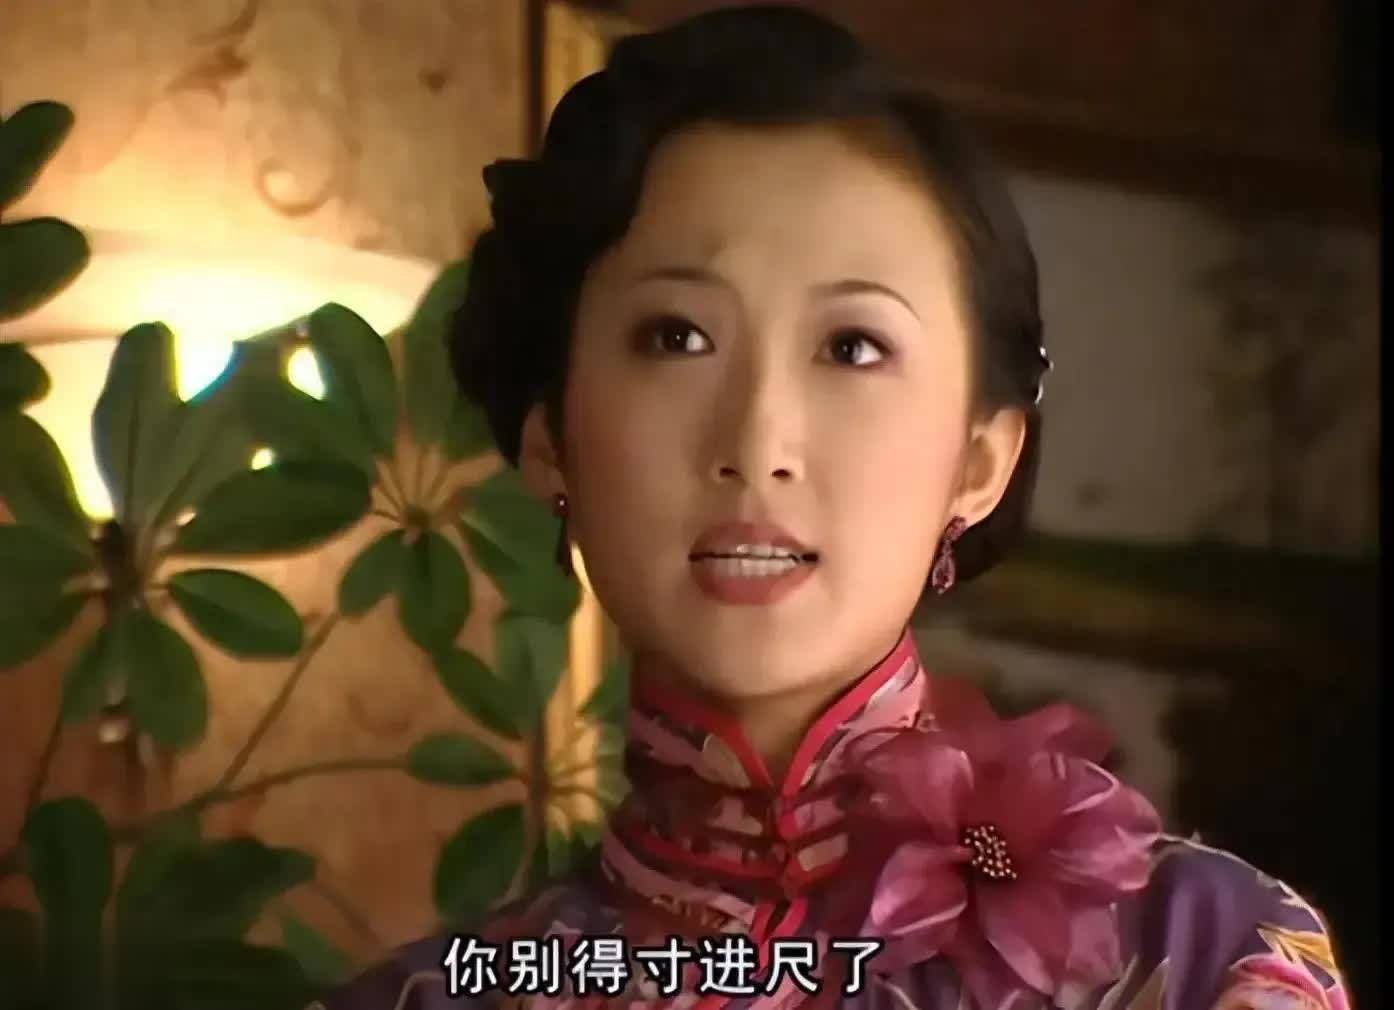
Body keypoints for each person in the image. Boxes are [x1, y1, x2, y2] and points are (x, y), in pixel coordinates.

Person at [315, 6, 1350, 1009]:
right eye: (676, 337)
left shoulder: (1197, 956)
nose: (759, 443)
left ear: (977, 461)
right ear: (553, 439)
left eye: (853, 346)